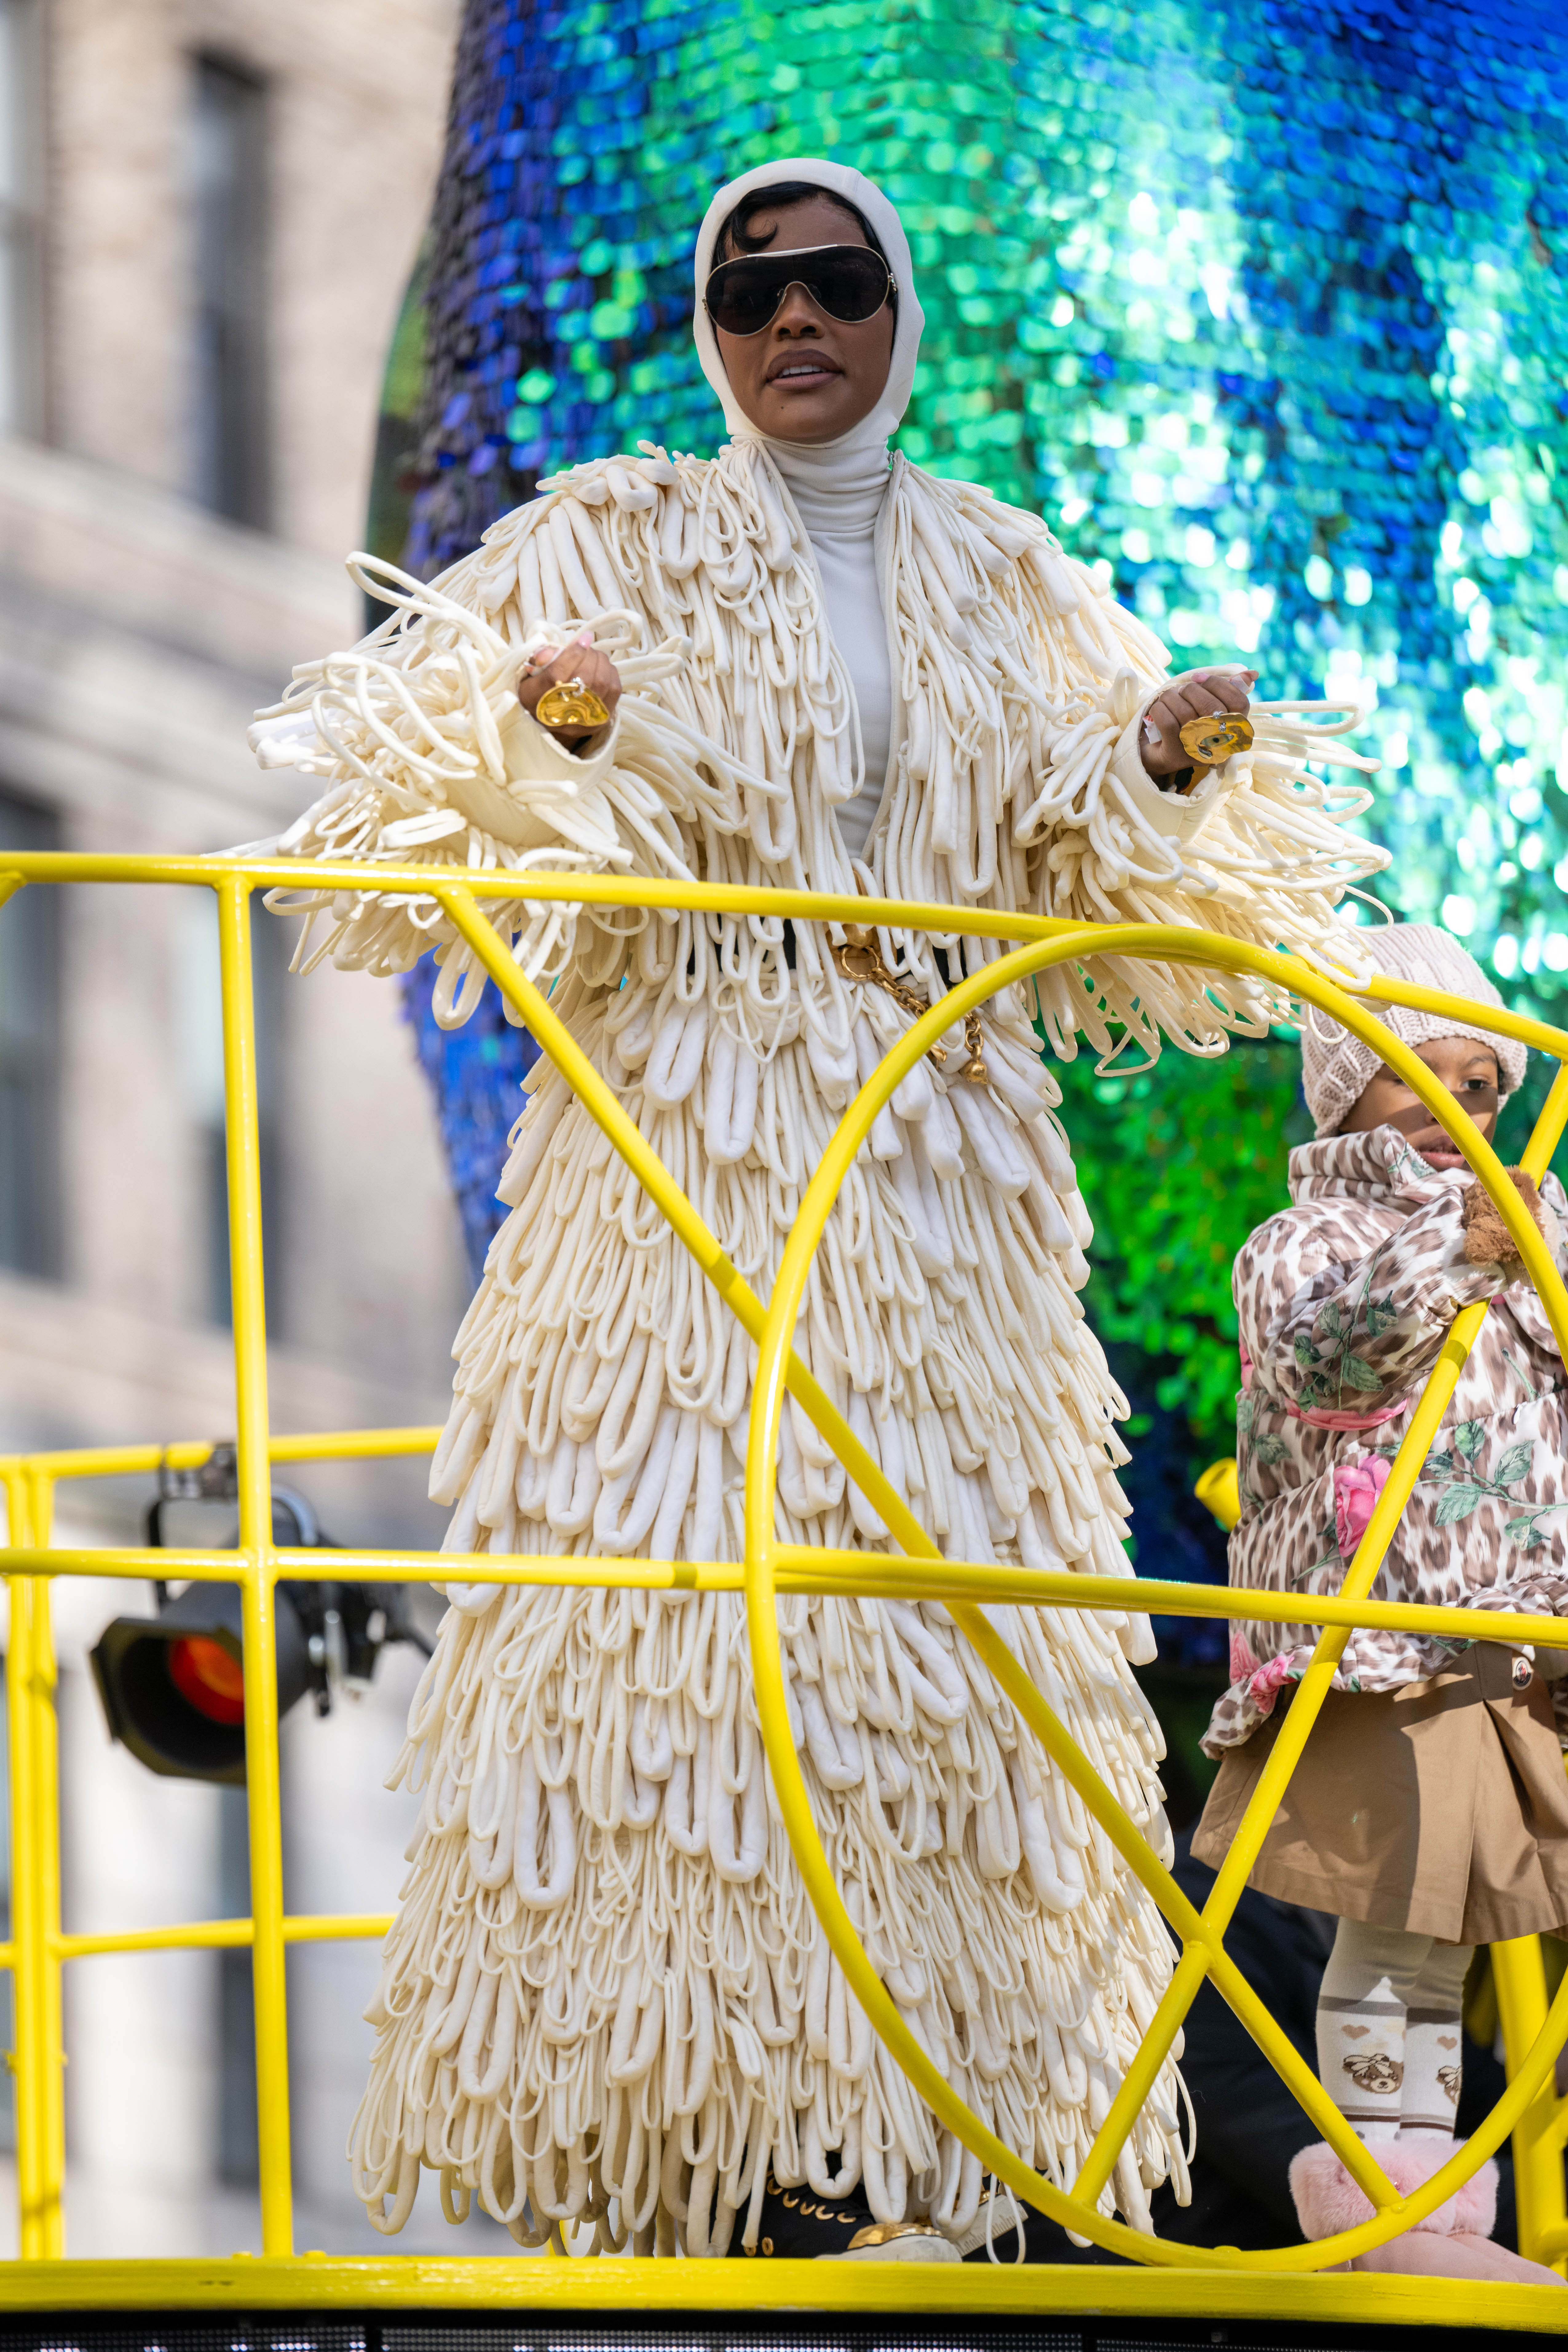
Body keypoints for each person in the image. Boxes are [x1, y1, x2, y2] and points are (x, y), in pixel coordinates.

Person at [249, 159, 1382, 2259]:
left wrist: (1155, 766)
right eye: (752, 287)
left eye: (839, 281)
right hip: (686, 1159)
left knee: (951, 1656)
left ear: (896, 315)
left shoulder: (1005, 570)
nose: (795, 318)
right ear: (709, 323)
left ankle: (943, 2151)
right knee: (694, 1636)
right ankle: (718, 2147)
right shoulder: (612, 536)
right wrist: (561, 733)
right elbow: (432, 782)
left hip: (946, 1182)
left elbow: (1094, 848)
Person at [1192, 921, 1568, 2282]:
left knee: (1442, 1936)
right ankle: (1372, 2173)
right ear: (1347, 1091)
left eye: (1479, 1088)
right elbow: (1327, 1364)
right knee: (1385, 1924)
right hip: (1375, 1636)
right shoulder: (1306, 1238)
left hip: (1504, 1631)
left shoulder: (1534, 1230)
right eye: (1419, 1078)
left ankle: (1432, 2180)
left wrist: (1531, 1251)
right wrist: (1461, 1246)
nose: (1454, 1109)